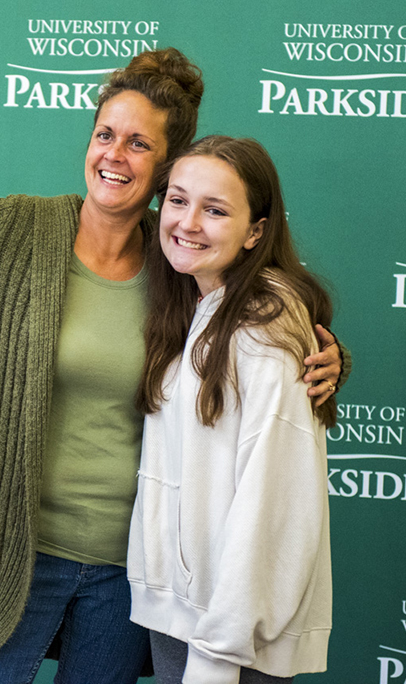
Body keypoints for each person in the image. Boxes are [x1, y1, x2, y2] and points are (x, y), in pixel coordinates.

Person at [0, 49, 346, 683]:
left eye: (138, 143)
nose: (114, 155)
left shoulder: (180, 257)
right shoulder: (8, 235)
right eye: (104, 135)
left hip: (129, 576)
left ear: (167, 169)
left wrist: (324, 358)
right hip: (12, 557)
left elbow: (252, 334)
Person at [128, 136, 337, 684]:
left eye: (215, 210)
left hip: (228, 641)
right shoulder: (193, 303)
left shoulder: (265, 325)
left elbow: (275, 503)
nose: (188, 222)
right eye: (177, 200)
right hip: (184, 618)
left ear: (255, 232)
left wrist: (220, 650)